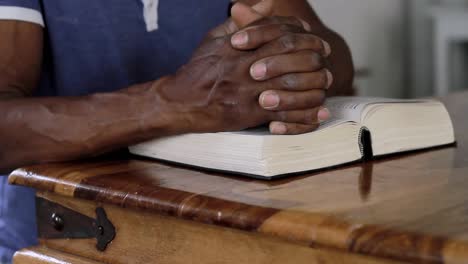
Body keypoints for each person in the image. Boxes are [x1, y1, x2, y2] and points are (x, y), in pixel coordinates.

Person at [0, 0, 354, 261]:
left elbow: (331, 51)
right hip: (62, 240)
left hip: (215, 229)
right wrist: (174, 101)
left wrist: (291, 65)